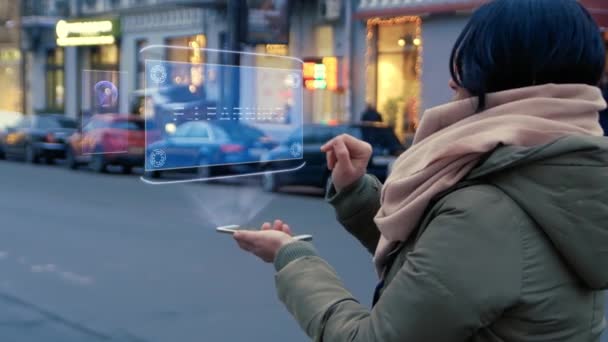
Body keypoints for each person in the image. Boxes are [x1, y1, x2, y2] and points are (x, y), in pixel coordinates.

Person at [232, 0, 608, 340]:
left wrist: (294, 258)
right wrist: (356, 193)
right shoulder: (556, 165)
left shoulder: (488, 212)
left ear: (506, 77)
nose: (453, 83)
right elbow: (440, 265)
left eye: (470, 66)